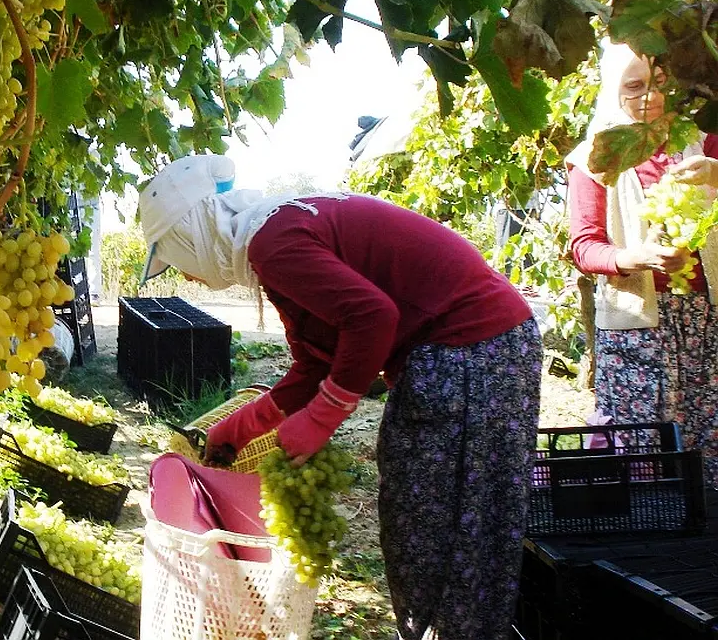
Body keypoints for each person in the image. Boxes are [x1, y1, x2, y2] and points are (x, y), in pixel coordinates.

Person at [138, 154, 540, 640]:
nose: (184, 276)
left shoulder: (273, 242)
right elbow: (316, 363)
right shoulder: (273, 234)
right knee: (426, 522)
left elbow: (373, 319)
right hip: (479, 351)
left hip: (475, 354)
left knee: (447, 530)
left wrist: (323, 417)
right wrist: (242, 426)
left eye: (173, 260)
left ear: (190, 235)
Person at [566, 40, 718, 481]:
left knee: (709, 445)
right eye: (633, 87)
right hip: (638, 328)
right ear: (613, 90)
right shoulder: (594, 158)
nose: (648, 97)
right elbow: (584, 245)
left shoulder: (704, 142)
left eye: (661, 84)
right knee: (644, 450)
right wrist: (636, 257)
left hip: (707, 321)